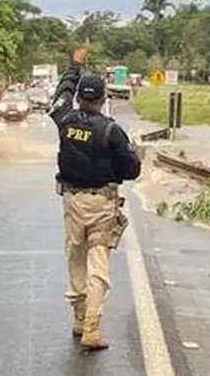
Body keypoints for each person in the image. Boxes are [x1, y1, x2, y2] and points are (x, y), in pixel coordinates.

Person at [47, 41, 141, 350]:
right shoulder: (111, 131)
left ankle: (78, 316)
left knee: (75, 255)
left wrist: (75, 64)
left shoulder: (64, 119)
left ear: (78, 98)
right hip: (101, 203)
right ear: (103, 99)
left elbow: (60, 93)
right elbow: (132, 171)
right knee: (98, 259)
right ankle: (92, 326)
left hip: (71, 201)